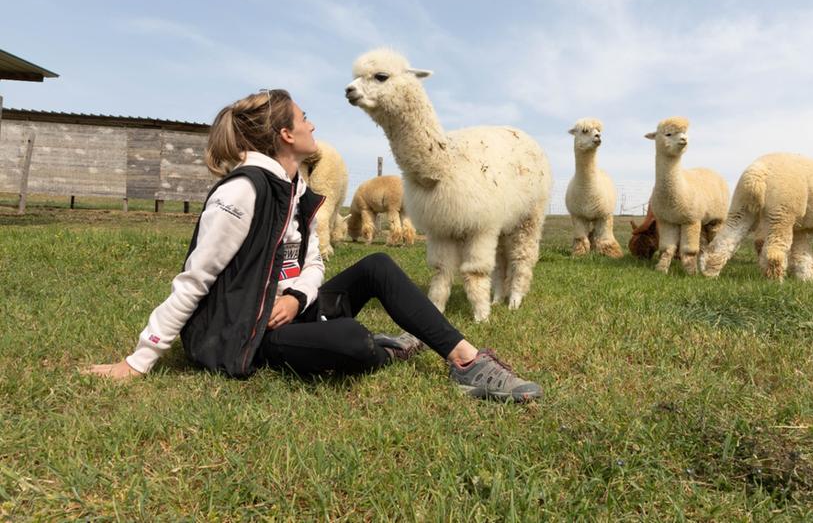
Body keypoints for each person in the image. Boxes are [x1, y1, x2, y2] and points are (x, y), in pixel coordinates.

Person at [88, 89, 542, 402]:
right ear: (286, 135)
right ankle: (381, 346)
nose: (311, 124)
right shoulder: (241, 192)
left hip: (291, 308)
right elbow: (194, 280)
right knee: (352, 341)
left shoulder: (297, 187)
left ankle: (466, 362)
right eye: (304, 119)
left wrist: (296, 295)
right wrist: (139, 360)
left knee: (379, 265)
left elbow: (310, 262)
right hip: (247, 330)